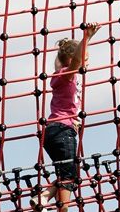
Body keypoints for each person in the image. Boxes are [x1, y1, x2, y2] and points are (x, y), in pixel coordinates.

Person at [32, 23, 100, 211]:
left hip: (53, 131)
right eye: (85, 58)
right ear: (72, 59)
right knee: (69, 177)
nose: (87, 62)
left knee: (67, 173)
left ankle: (43, 198)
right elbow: (76, 60)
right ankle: (62, 207)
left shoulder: (61, 74)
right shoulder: (67, 74)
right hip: (63, 131)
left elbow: (71, 58)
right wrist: (87, 37)